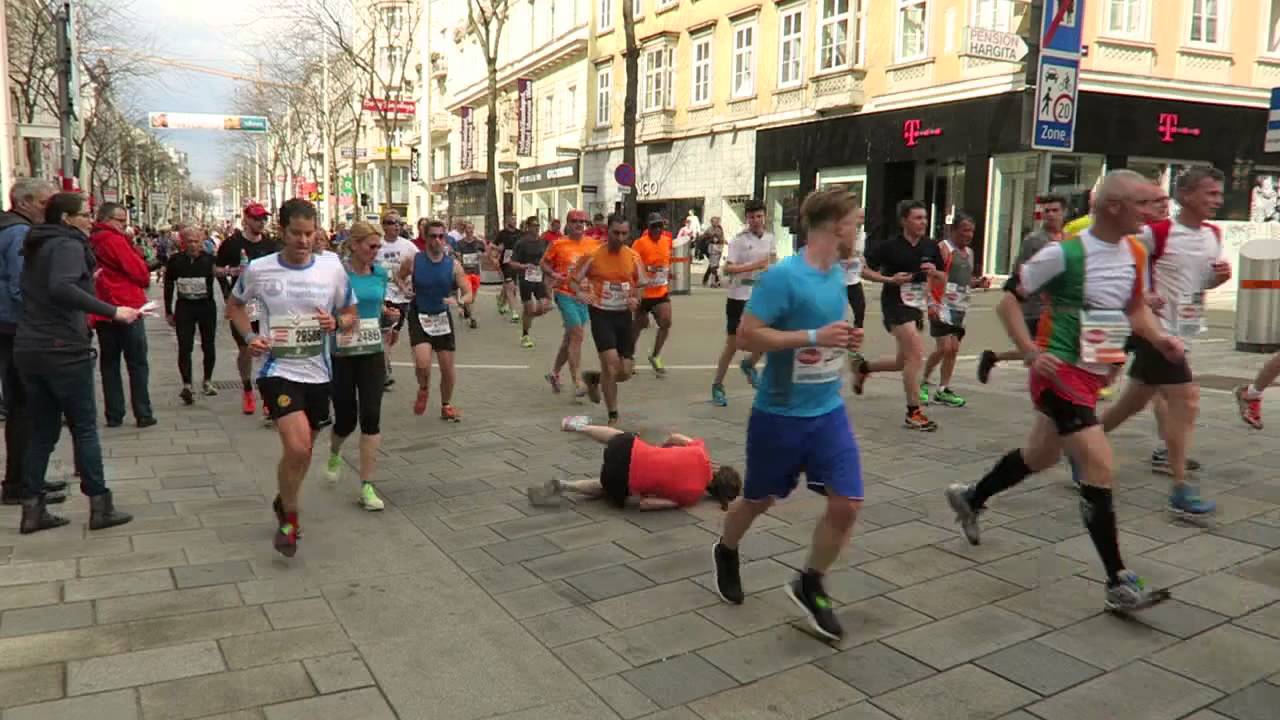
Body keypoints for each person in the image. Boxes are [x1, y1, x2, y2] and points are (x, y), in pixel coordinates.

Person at [944, 170, 1178, 612]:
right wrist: (1031, 352)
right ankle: (1117, 581)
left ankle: (971, 496)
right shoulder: (1063, 255)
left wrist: (1158, 337)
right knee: (1100, 463)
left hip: (1094, 371)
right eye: (1145, 204)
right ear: (1114, 207)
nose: (1154, 213)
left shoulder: (1136, 248)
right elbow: (1008, 301)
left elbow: (1132, 308)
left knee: (1040, 456)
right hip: (1058, 372)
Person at [711, 187, 865, 642]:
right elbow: (747, 337)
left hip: (828, 412)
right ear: (835, 226)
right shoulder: (783, 277)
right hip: (778, 416)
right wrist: (815, 336)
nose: (858, 229)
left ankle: (810, 581)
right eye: (855, 221)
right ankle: (726, 548)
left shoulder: (838, 272)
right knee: (759, 501)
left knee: (847, 503)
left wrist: (845, 342)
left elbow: (826, 337)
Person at [227, 199, 357, 557]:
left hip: (319, 371)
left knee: (304, 451)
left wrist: (338, 323)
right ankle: (291, 519)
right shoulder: (259, 269)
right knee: (297, 447)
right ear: (281, 232)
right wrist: (251, 338)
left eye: (309, 233)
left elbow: (351, 313)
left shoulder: (332, 268)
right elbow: (234, 307)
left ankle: (284, 497)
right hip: (277, 369)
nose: (303, 241)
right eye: (296, 234)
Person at [1097, 167, 1230, 515]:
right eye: (1210, 193)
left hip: (1183, 328)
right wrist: (1145, 293)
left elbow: (1199, 285)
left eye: (1219, 194)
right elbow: (1124, 266)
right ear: (1186, 195)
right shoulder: (1158, 232)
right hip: (1155, 330)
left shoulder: (1214, 234)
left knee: (1134, 401)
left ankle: (1085, 441)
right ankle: (1180, 486)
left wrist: (1218, 281)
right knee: (1186, 396)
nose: (1217, 200)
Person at [16, 192, 141, 534]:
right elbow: (62, 287)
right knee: (84, 427)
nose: (89, 220)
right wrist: (113, 310)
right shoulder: (67, 245)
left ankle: (32, 508)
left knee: (42, 429)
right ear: (66, 219)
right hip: (62, 347)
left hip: (30, 346)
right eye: (84, 214)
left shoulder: (35, 244)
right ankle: (100, 504)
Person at [853, 200, 945, 431]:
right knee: (916, 356)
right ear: (904, 220)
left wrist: (935, 273)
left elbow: (944, 277)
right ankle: (913, 412)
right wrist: (889, 280)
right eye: (917, 218)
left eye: (925, 218)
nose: (923, 222)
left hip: (916, 306)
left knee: (900, 363)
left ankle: (864, 368)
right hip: (894, 304)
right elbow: (863, 270)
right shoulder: (889, 246)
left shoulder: (930, 247)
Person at [325, 222, 398, 511]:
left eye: (379, 247)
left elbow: (376, 309)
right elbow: (327, 308)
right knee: (345, 419)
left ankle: (367, 486)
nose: (376, 252)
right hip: (342, 353)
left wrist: (388, 317)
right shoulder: (337, 274)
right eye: (372, 246)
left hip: (371, 351)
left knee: (371, 416)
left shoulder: (380, 273)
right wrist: (338, 321)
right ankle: (334, 451)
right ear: (354, 245)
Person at [0, 179, 62, 506]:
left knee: (21, 406)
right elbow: (19, 285)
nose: (46, 209)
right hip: (16, 329)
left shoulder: (10, 228)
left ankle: (24, 478)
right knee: (25, 406)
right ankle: (22, 484)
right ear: (23, 202)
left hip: (10, 327)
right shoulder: (19, 234)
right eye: (42, 202)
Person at [533, 415, 741, 510]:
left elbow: (675, 437)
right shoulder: (691, 497)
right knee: (608, 486)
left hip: (628, 450)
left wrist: (662, 449)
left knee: (621, 437)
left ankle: (578, 427)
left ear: (720, 469)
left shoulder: (700, 452)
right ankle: (566, 485)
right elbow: (646, 503)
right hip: (620, 481)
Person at [978, 193, 1067, 383]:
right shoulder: (1035, 240)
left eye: (1055, 210)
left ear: (1064, 212)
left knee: (1041, 350)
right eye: (1047, 211)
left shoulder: (1068, 239)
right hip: (1035, 307)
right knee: (1040, 351)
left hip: (1057, 306)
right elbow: (1020, 271)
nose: (1050, 215)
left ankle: (994, 357)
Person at [89, 202, 156, 429]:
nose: (124, 225)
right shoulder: (114, 240)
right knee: (137, 363)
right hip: (126, 306)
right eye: (120, 220)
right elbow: (140, 273)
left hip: (102, 309)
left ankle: (114, 414)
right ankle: (143, 412)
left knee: (110, 363)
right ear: (106, 219)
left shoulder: (90, 240)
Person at [399, 219, 473, 421]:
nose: (437, 240)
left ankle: (446, 405)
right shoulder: (415, 260)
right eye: (433, 236)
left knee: (447, 368)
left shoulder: (453, 265)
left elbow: (468, 292)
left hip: (441, 317)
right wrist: (404, 288)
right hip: (419, 314)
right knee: (422, 364)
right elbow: (399, 277)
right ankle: (424, 388)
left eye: (441, 236)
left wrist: (458, 301)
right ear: (425, 237)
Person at [575, 214, 645, 426]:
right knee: (611, 365)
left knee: (625, 371)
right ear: (607, 231)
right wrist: (581, 294)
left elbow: (641, 285)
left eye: (624, 233)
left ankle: (594, 379)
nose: (620, 237)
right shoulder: (592, 255)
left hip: (624, 316)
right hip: (601, 314)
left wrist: (635, 298)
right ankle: (613, 415)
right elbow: (573, 281)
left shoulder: (633, 257)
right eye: (616, 233)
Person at [919, 212, 991, 408]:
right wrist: (931, 303)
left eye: (972, 231)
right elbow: (931, 277)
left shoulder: (970, 253)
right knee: (944, 347)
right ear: (954, 230)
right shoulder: (943, 249)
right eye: (965, 230)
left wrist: (977, 283)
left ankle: (943, 389)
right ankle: (923, 382)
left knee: (954, 349)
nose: (968, 235)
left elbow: (965, 278)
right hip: (942, 304)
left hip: (961, 306)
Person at [215, 202, 280, 415]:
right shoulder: (231, 244)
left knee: (268, 346)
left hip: (267, 304)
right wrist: (231, 271)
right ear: (246, 219)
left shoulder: (271, 245)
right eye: (257, 218)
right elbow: (215, 270)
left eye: (264, 218)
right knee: (246, 349)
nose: (261, 222)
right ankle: (247, 389)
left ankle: (268, 396)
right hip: (242, 304)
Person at [711, 200, 775, 407]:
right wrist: (755, 265)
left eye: (759, 216)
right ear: (746, 219)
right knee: (732, 345)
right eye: (752, 217)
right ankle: (718, 385)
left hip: (761, 296)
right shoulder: (739, 241)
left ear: (765, 217)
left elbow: (772, 262)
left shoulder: (770, 238)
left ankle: (749, 364)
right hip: (738, 298)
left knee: (768, 338)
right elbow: (728, 269)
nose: (756, 220)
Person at [542, 210, 600, 397]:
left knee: (570, 338)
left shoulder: (593, 244)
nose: (579, 225)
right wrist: (553, 274)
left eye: (582, 222)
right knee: (577, 333)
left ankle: (554, 373)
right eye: (575, 221)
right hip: (564, 293)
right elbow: (544, 263)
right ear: (568, 223)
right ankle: (577, 381)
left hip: (584, 296)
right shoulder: (558, 244)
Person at [164, 224, 218, 405]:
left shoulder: (209, 260)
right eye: (189, 242)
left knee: (208, 344)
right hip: (185, 307)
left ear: (202, 242)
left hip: (206, 307)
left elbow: (222, 280)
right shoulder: (176, 261)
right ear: (183, 243)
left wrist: (229, 302)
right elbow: (168, 285)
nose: (193, 245)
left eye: (196, 241)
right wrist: (168, 310)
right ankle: (187, 384)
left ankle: (207, 381)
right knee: (184, 346)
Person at [376, 211, 419, 390]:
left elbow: (419, 264)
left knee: (393, 335)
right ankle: (384, 371)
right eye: (391, 222)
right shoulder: (377, 245)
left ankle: (386, 360)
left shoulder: (408, 246)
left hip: (402, 297)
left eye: (398, 223)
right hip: (383, 295)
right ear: (383, 225)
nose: (395, 226)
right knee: (385, 335)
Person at [632, 212, 674, 376]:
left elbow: (666, 260)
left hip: (660, 291)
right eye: (653, 226)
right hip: (643, 292)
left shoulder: (667, 241)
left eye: (659, 226)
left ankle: (655, 355)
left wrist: (667, 273)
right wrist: (648, 269)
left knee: (666, 321)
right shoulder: (640, 243)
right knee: (639, 325)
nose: (657, 229)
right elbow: (632, 263)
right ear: (648, 227)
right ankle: (630, 355)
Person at [510, 216, 552, 348]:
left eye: (538, 225)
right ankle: (525, 334)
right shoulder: (521, 243)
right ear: (528, 227)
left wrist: (549, 272)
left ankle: (528, 316)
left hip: (539, 278)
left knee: (543, 306)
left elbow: (547, 260)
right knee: (529, 310)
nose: (537, 228)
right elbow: (512, 262)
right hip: (526, 279)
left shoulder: (543, 242)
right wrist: (524, 266)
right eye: (534, 225)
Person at [839, 206, 867, 331]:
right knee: (839, 314)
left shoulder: (863, 234)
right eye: (859, 217)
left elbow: (860, 254)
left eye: (863, 218)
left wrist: (862, 259)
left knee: (860, 309)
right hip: (839, 280)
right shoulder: (841, 234)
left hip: (854, 279)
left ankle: (856, 334)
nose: (862, 220)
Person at [491, 214, 524, 319]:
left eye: (515, 219)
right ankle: (514, 312)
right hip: (505, 262)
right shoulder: (502, 234)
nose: (514, 221)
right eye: (512, 219)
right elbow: (492, 245)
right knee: (511, 286)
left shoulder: (520, 233)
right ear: (507, 221)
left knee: (510, 286)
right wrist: (498, 249)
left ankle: (500, 299)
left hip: (517, 261)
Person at [455, 222, 486, 329]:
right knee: (468, 294)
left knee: (472, 297)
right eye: (468, 228)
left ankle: (465, 308)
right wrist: (459, 259)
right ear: (465, 230)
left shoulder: (479, 243)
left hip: (475, 272)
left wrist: (481, 255)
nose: (470, 230)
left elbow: (484, 254)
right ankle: (472, 318)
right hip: (465, 273)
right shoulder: (459, 243)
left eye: (472, 228)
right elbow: (457, 257)